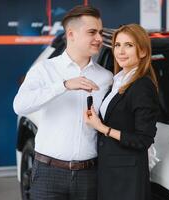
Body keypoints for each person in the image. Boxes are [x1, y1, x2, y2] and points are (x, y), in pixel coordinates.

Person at [13, 5, 113, 200]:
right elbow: (20, 105)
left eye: (100, 32)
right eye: (92, 32)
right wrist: (64, 85)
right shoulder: (45, 69)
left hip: (89, 175)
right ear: (71, 34)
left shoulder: (106, 77)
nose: (100, 39)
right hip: (49, 173)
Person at [84, 24, 159, 200]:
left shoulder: (142, 86)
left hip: (127, 180)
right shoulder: (117, 81)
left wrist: (102, 128)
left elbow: (143, 139)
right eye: (118, 45)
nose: (121, 51)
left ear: (142, 52)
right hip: (110, 173)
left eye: (129, 45)